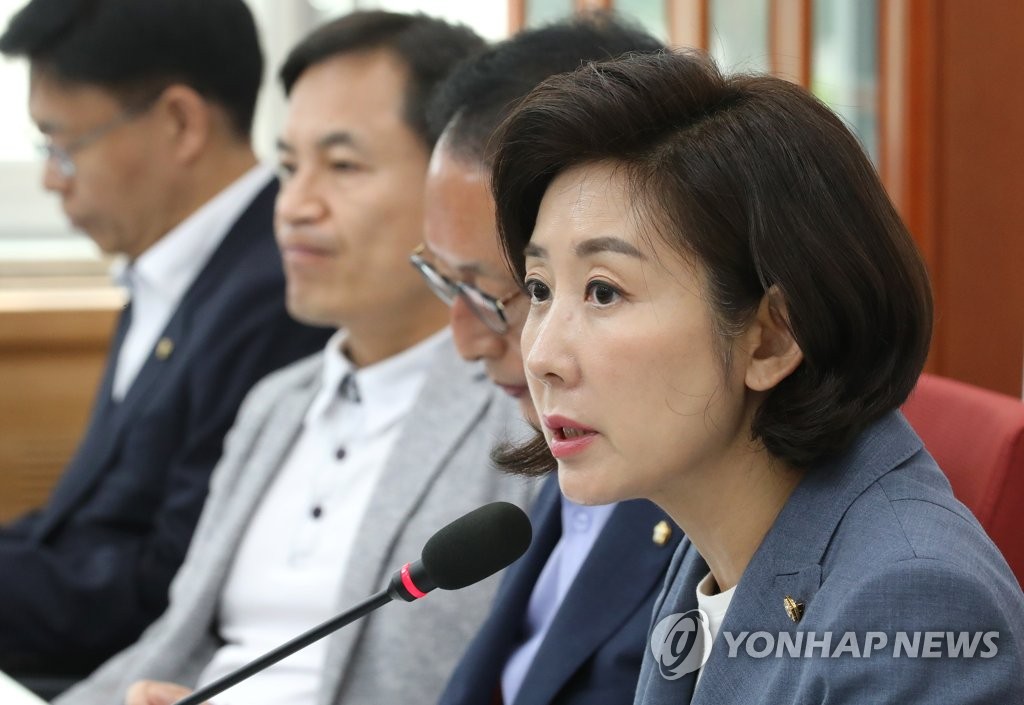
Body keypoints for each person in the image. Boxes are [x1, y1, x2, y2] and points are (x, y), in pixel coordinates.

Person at [490, 51, 1024, 703]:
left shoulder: (913, 605)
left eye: (604, 292)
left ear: (774, 337)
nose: (541, 355)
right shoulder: (714, 541)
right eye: (540, 289)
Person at [55, 11, 536, 705]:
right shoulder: (276, 404)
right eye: (287, 167)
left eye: (341, 166)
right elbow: (170, 643)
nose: (293, 206)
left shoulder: (522, 412)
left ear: (449, 181)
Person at [0, 0, 331, 677]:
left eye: (63, 146)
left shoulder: (279, 291)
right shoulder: (165, 266)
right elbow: (78, 527)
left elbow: (167, 586)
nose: (51, 178)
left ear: (180, 122)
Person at [414, 15, 682, 705]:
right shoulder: (571, 444)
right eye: (444, 280)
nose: (466, 340)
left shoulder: (723, 526)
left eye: (496, 292)